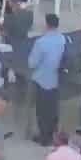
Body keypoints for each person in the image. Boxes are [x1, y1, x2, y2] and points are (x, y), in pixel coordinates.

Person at [28, 13, 66, 144]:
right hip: (55, 80)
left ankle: (44, 137)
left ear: (47, 25)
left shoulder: (41, 42)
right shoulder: (62, 39)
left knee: (42, 111)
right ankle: (53, 134)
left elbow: (32, 63)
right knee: (53, 109)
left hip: (42, 80)